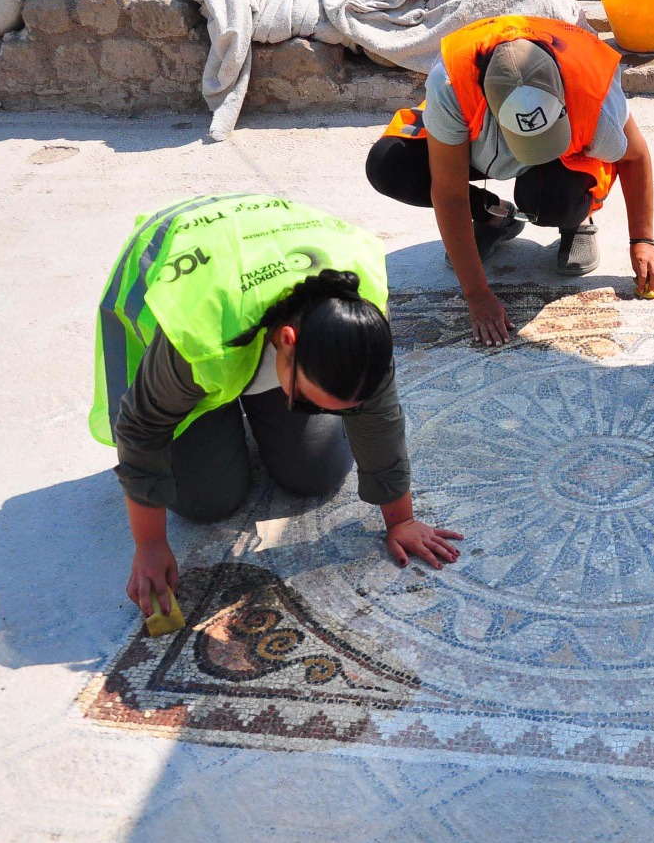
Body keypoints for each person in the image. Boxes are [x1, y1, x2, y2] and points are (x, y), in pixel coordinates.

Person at [90, 194, 462, 621]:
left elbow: (378, 412)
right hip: (191, 276)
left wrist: (400, 519)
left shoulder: (356, 312)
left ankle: (261, 403)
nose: (323, 413)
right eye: (309, 401)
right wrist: (150, 546)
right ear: (287, 341)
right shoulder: (200, 334)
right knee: (209, 501)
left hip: (264, 302)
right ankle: (222, 409)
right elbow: (142, 427)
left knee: (315, 473)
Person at [365, 15, 654, 346]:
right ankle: (494, 217)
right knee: (390, 165)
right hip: (478, 142)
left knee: (554, 204)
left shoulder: (595, 91)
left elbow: (634, 156)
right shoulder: (452, 85)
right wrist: (477, 295)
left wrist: (643, 241)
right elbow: (448, 193)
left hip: (563, 157)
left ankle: (578, 220)